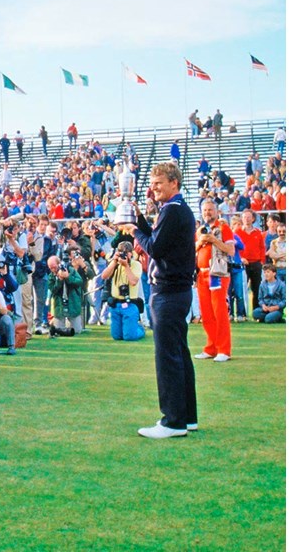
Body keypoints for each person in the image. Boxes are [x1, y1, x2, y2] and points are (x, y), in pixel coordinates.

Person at [123, 161, 197, 439]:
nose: (153, 189)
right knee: (179, 353)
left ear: (174, 183)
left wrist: (134, 232)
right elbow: (157, 238)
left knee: (168, 357)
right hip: (176, 291)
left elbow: (154, 246)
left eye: (159, 184)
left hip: (168, 291)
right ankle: (187, 417)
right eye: (152, 184)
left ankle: (173, 422)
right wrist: (140, 221)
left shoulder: (173, 211)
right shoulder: (176, 210)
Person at [192, 199, 234, 362]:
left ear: (216, 211)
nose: (207, 213)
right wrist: (201, 241)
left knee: (219, 312)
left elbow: (230, 250)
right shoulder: (199, 231)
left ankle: (224, 349)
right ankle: (211, 347)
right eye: (205, 210)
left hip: (217, 274)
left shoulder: (224, 228)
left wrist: (214, 240)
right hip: (201, 275)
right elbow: (192, 250)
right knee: (207, 313)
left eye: (210, 210)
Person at [101, 241, 145, 341]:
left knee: (129, 337)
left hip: (130, 304)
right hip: (116, 304)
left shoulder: (136, 264)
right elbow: (104, 276)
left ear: (131, 253)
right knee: (116, 336)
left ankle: (139, 328)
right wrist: (114, 262)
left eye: (126, 252)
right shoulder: (115, 264)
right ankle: (130, 327)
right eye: (121, 252)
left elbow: (133, 281)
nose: (124, 255)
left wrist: (126, 266)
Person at [234, 209, 265, 313]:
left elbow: (262, 247)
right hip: (243, 264)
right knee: (242, 289)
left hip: (256, 263)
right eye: (244, 217)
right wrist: (241, 258)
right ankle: (243, 312)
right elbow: (235, 248)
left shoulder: (258, 233)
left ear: (253, 219)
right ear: (242, 219)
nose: (246, 219)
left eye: (248, 217)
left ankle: (257, 312)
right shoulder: (237, 232)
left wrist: (261, 261)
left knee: (257, 288)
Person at [46, 255, 84, 337]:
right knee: (58, 330)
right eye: (50, 268)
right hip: (59, 307)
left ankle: (67, 322)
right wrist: (59, 280)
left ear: (59, 264)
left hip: (72, 304)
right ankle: (54, 321)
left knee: (76, 331)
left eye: (54, 267)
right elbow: (53, 290)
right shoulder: (51, 276)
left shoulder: (71, 270)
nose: (53, 270)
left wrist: (68, 277)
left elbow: (80, 282)